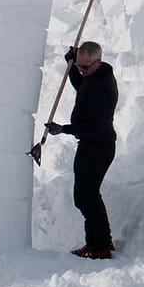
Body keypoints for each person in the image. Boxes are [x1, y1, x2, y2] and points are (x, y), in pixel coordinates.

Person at [45, 41, 119, 259]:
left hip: (97, 145)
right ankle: (101, 243)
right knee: (86, 196)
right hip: (91, 144)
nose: (82, 71)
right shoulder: (93, 77)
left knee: (86, 197)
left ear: (98, 61)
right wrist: (71, 65)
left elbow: (93, 126)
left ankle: (99, 247)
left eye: (85, 67)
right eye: (80, 66)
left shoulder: (102, 87)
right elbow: (82, 86)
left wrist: (64, 129)